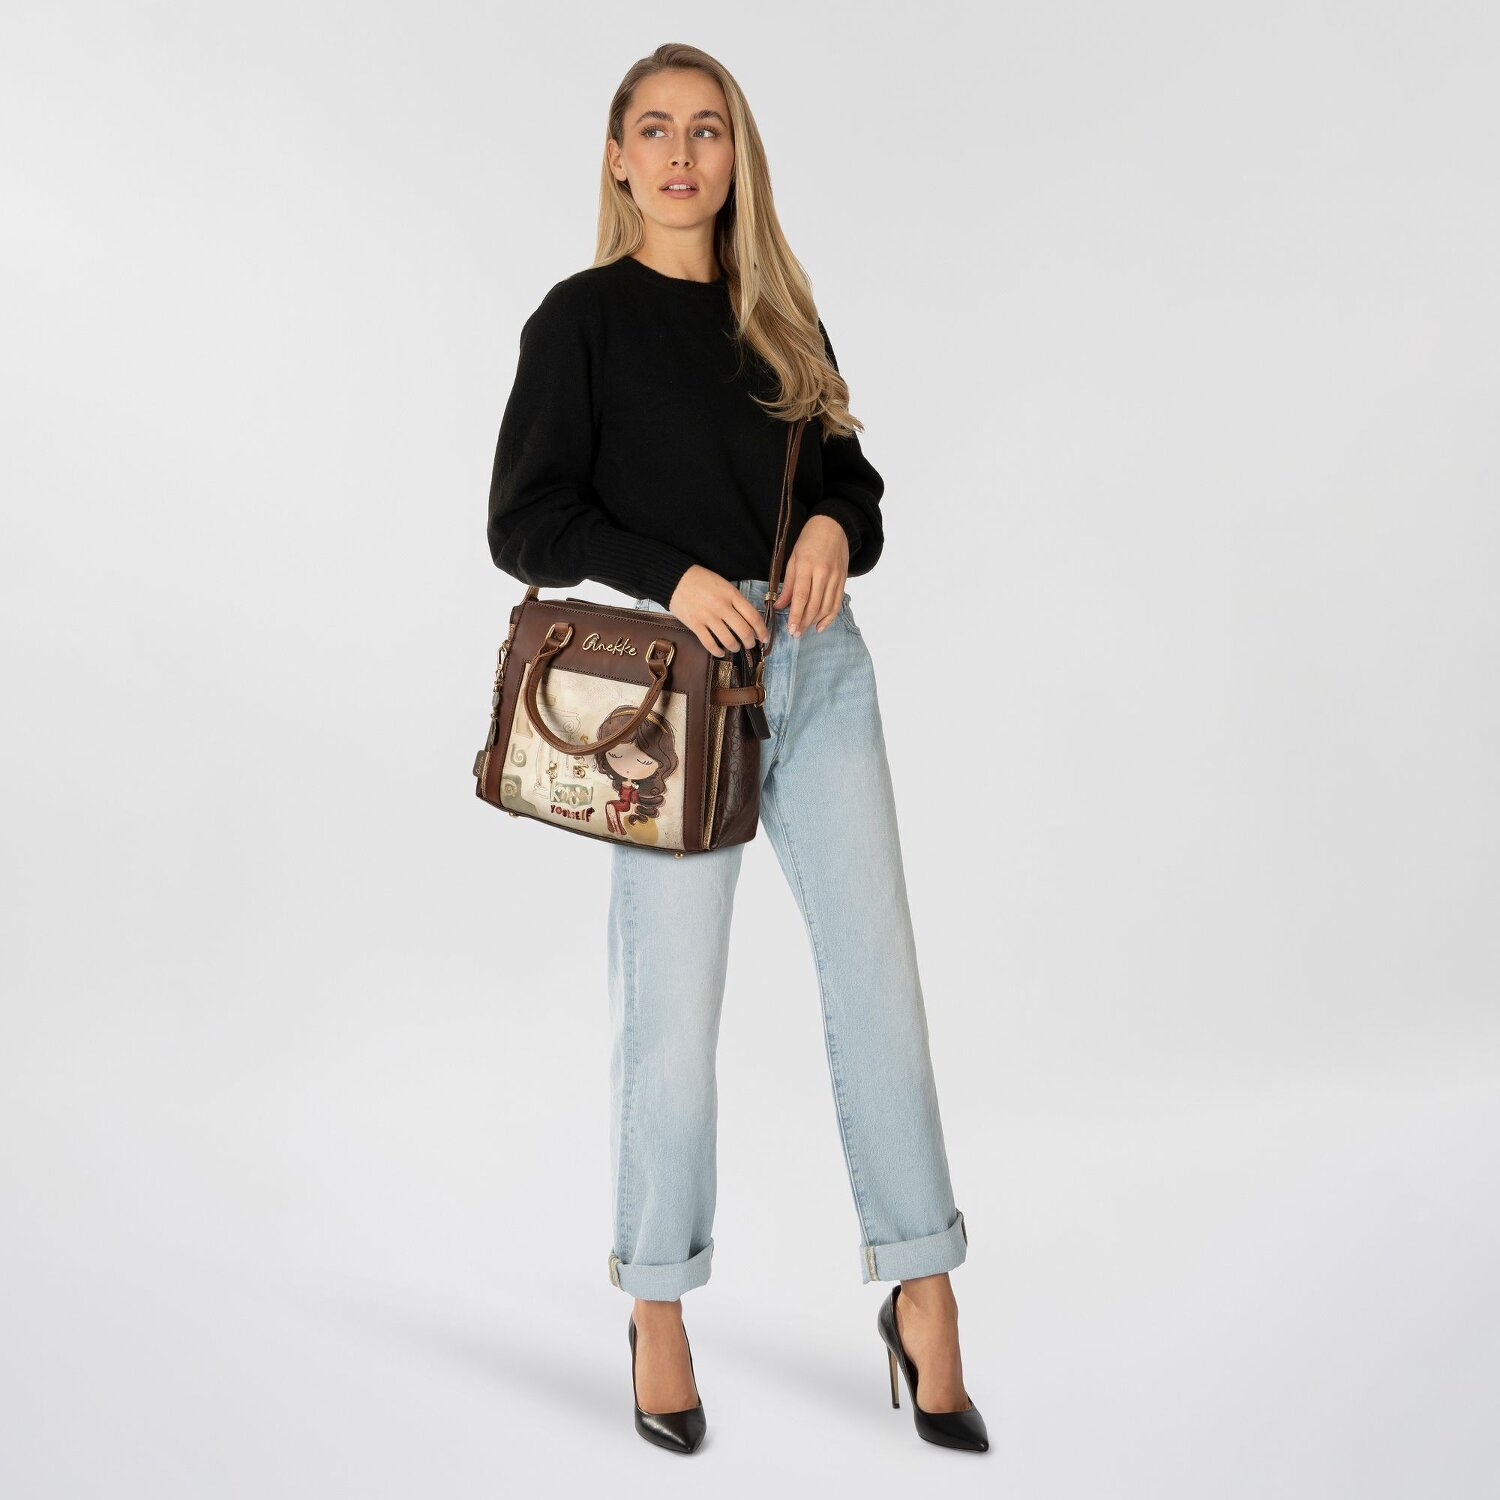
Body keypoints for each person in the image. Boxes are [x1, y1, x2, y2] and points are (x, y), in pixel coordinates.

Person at [486, 43, 988, 1456]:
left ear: (735, 156)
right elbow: (524, 521)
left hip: (817, 668)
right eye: (654, 130)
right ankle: (657, 1302)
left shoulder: (781, 312)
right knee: (671, 1014)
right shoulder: (579, 321)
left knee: (879, 982)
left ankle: (925, 1287)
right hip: (676, 694)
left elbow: (853, 483)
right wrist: (673, 576)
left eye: (707, 129)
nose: (681, 153)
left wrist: (830, 527)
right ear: (617, 158)